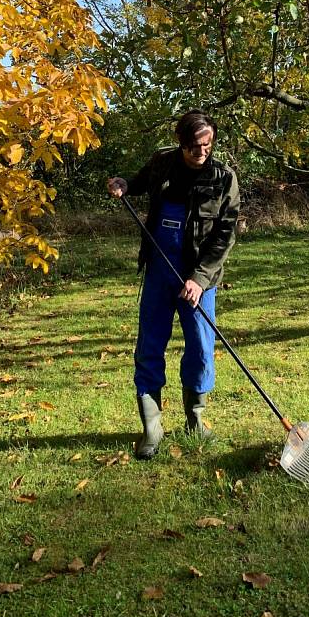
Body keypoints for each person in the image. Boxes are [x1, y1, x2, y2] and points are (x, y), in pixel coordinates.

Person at [107, 110, 240, 459]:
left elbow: (225, 236)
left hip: (199, 276)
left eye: (208, 145)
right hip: (159, 271)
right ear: (181, 143)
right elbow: (137, 183)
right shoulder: (163, 162)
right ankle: (151, 427)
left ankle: (195, 418)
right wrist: (122, 185)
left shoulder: (224, 178)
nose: (202, 152)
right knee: (150, 344)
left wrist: (199, 278)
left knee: (199, 346)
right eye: (195, 146)